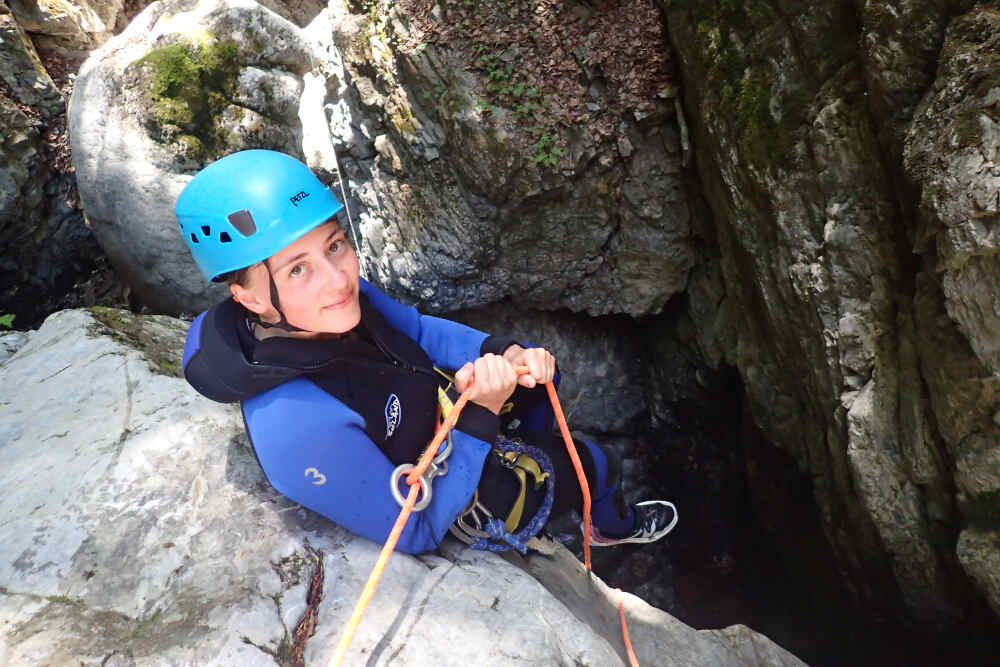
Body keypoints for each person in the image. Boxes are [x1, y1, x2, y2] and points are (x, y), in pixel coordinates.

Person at [177, 149, 677, 555]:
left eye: (334, 246)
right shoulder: (296, 425)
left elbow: (417, 330)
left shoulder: (338, 302)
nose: (338, 279)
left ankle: (537, 459)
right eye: (297, 269)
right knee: (598, 463)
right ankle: (608, 524)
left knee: (542, 381)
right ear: (249, 297)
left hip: (445, 417)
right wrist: (479, 419)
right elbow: (412, 532)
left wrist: (502, 350)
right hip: (453, 497)